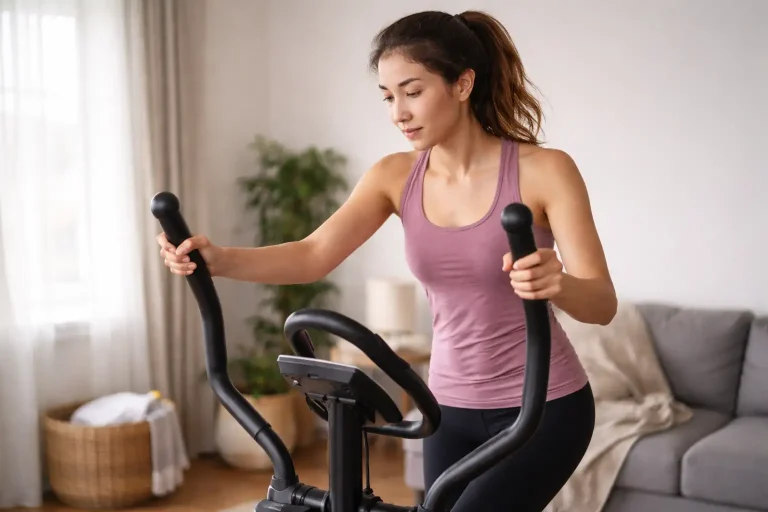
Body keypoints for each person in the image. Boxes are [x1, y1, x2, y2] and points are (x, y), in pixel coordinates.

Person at [157, 9, 616, 512]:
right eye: (388, 96)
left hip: (542, 408)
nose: (398, 111)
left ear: (463, 84)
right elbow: (313, 255)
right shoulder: (394, 177)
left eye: (413, 91)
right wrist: (217, 259)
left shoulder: (545, 171)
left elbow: (601, 303)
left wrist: (558, 282)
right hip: (445, 408)